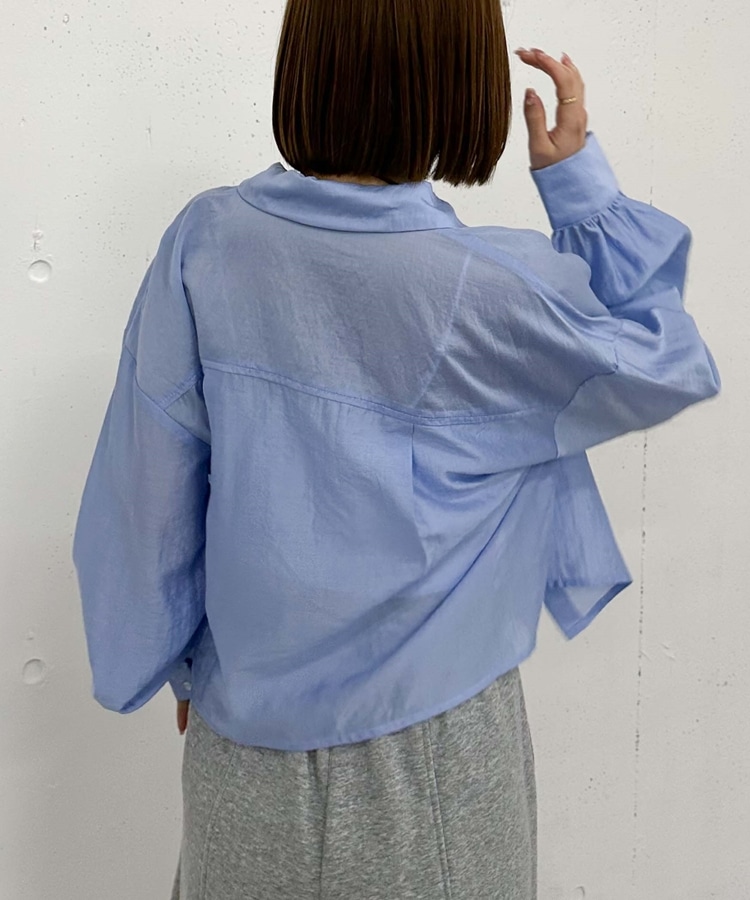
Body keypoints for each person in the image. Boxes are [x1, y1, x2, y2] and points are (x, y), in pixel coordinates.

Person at [71, 1, 720, 898]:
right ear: (460, 81)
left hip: (239, 756)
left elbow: (147, 496)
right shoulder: (489, 290)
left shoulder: (207, 242)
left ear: (308, 58)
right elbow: (668, 360)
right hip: (435, 765)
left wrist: (184, 669)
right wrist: (580, 190)